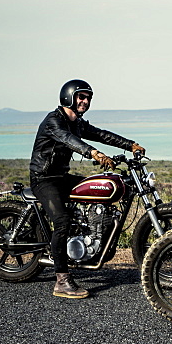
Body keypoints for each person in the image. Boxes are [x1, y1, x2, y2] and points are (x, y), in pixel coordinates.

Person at [30, 79, 145, 299]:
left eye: (88, 98)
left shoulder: (78, 122)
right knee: (62, 221)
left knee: (94, 191)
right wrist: (94, 153)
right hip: (44, 178)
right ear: (69, 97)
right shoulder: (54, 121)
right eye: (81, 97)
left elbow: (100, 134)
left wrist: (130, 145)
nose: (85, 101)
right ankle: (62, 281)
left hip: (62, 177)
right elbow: (69, 139)